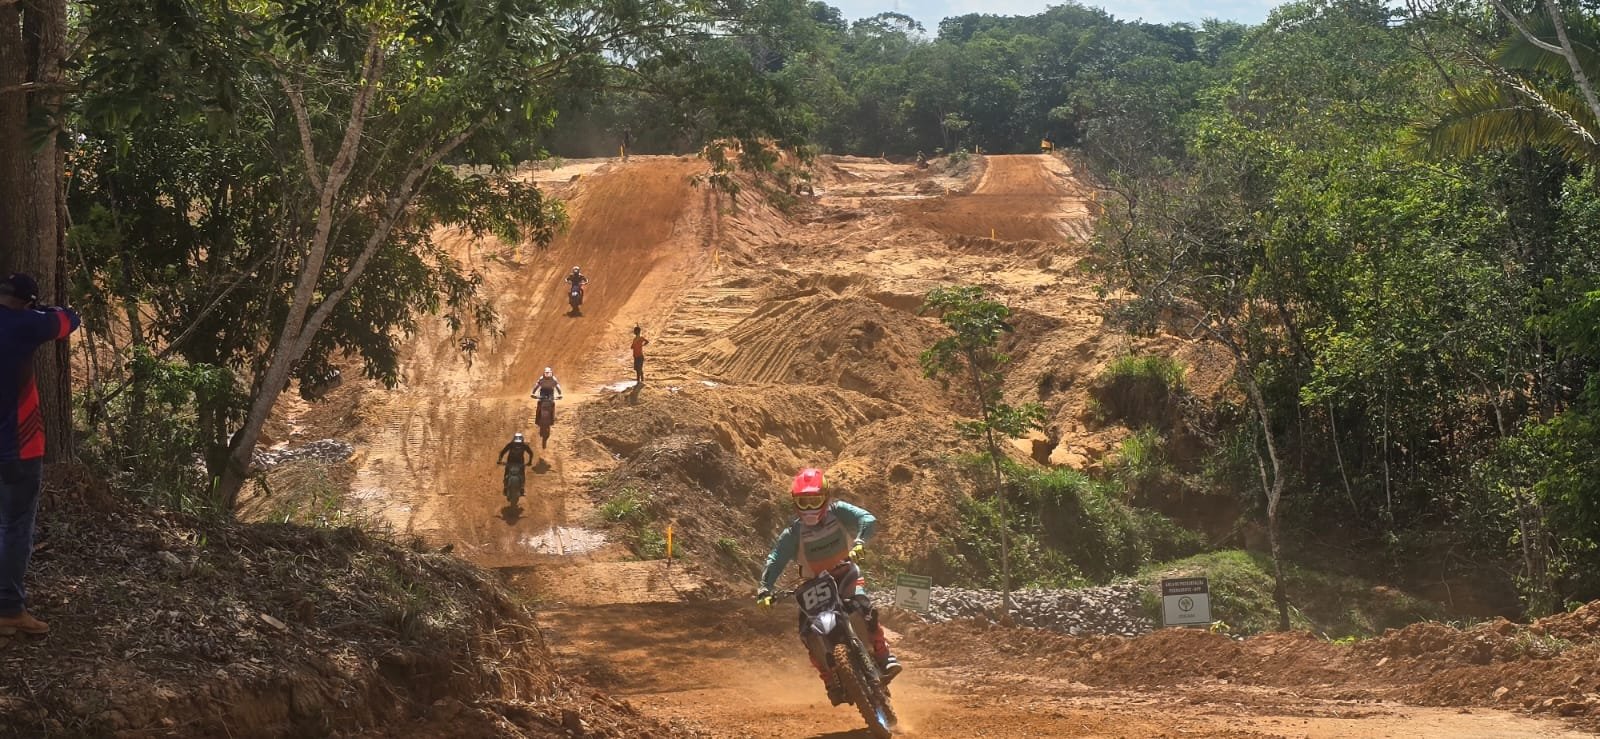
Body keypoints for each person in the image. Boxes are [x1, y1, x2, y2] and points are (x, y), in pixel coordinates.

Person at [757, 467, 901, 705]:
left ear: (825, 496)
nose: (810, 507)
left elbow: (867, 518)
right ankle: (829, 679)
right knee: (807, 631)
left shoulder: (839, 511)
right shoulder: (793, 533)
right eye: (803, 502)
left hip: (845, 572)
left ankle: (884, 655)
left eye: (814, 500)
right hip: (813, 584)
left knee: (863, 606)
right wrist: (764, 589)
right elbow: (775, 559)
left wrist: (860, 542)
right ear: (795, 503)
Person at [0, 273, 80, 636]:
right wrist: (45, 309)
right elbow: (68, 319)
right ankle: (10, 609)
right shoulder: (29, 323)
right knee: (16, 526)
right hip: (19, 446)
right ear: (28, 301)